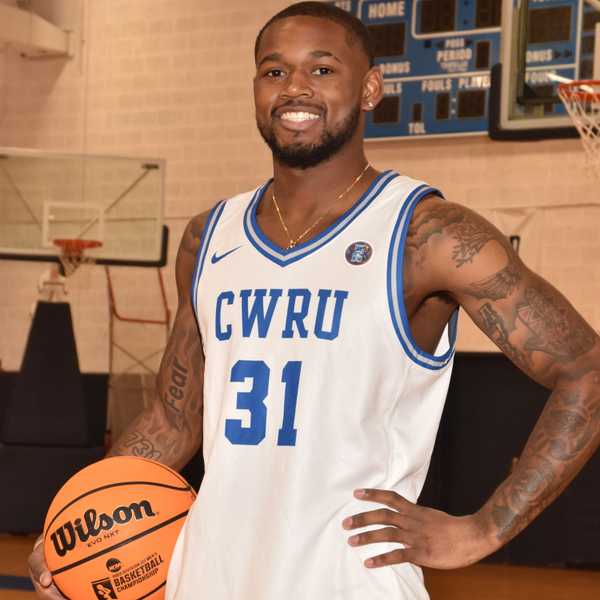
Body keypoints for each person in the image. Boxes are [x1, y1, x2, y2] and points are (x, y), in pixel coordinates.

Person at [29, 3, 600, 599]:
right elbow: (173, 419)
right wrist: (76, 529)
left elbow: (586, 368)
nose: (295, 87)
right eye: (274, 72)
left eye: (322, 70)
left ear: (371, 87)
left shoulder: (426, 235)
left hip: (348, 580)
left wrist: (485, 529)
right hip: (207, 576)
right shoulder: (208, 238)